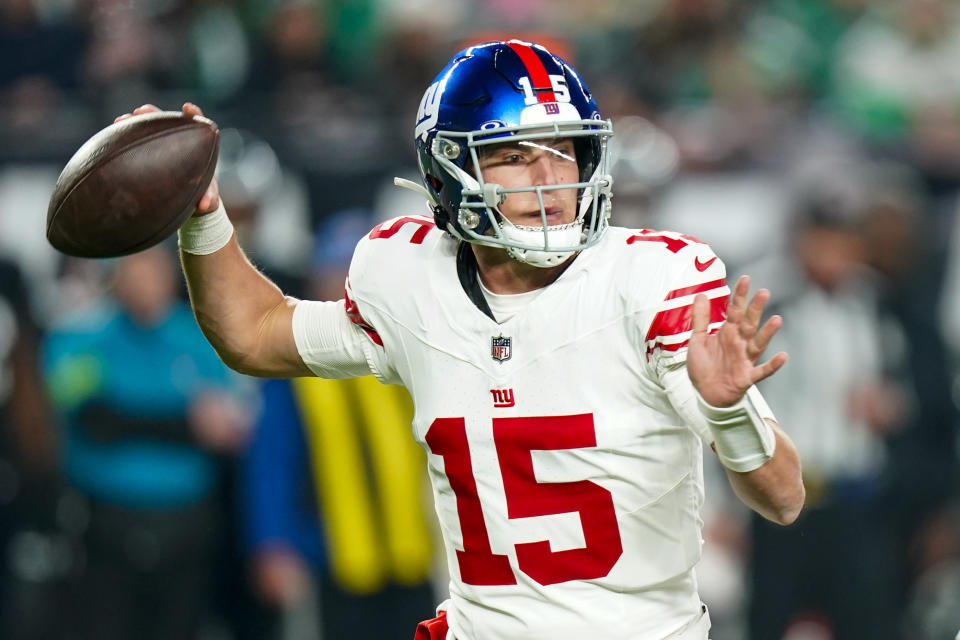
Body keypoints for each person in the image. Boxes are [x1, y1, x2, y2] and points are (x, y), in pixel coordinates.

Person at [119, 39, 804, 640]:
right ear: (449, 172)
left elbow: (783, 497)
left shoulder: (651, 280)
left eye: (565, 151)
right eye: (513, 156)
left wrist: (727, 411)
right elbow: (253, 334)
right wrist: (202, 215)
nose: (550, 180)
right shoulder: (411, 280)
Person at [43, 245, 251, 640]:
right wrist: (187, 425)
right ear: (114, 277)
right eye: (132, 269)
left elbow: (231, 424)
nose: (144, 281)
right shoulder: (81, 336)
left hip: (187, 526)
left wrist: (200, 426)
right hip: (107, 528)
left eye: (153, 269)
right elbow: (96, 421)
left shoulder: (199, 338)